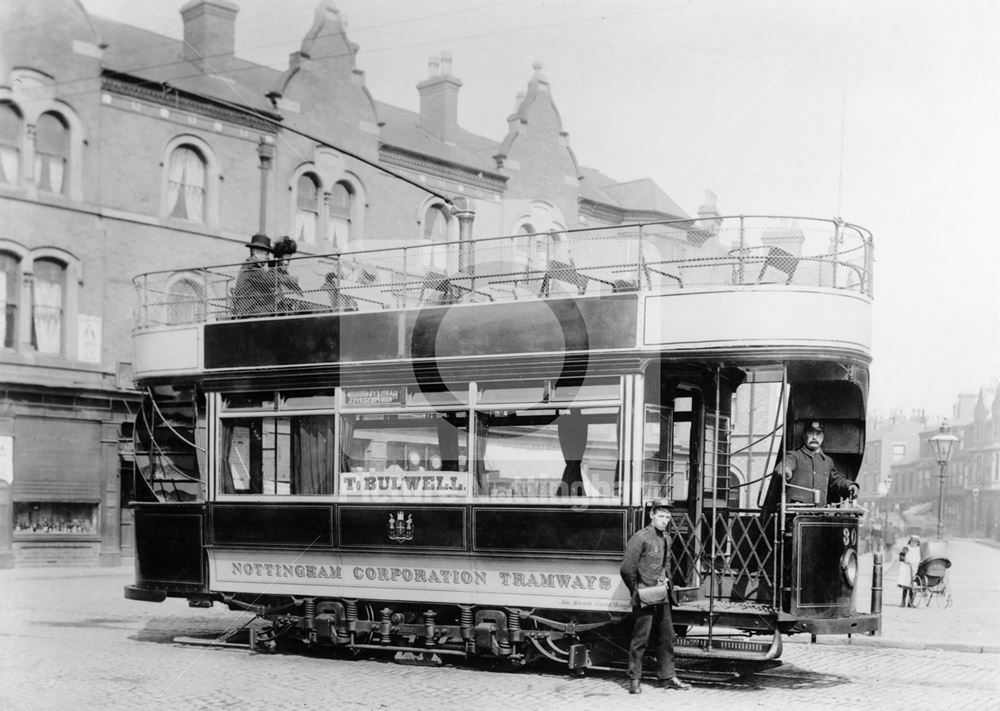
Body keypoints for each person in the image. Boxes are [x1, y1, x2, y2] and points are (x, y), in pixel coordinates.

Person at [619, 498, 691, 694]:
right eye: (661, 516)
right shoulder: (640, 537)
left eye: (667, 517)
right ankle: (634, 679)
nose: (664, 520)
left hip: (663, 595)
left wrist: (666, 582)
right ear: (652, 515)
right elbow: (627, 569)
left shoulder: (667, 538)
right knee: (641, 638)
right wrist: (638, 590)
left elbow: (666, 566)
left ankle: (668, 676)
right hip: (645, 595)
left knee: (667, 637)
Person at [775, 421, 859, 505]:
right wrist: (785, 469)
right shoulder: (793, 456)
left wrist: (849, 485)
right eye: (811, 433)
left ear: (823, 437)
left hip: (819, 514)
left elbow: (836, 482)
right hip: (795, 515)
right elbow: (785, 465)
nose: (814, 437)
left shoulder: (827, 461)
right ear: (804, 436)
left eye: (818, 434)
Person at [232, 233, 277, 317]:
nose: (268, 258)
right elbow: (271, 280)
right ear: (256, 253)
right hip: (251, 312)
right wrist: (293, 280)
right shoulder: (252, 267)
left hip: (254, 310)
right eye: (266, 254)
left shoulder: (253, 266)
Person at [897, 535, 921, 607]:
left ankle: (910, 602)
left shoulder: (918, 549)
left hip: (914, 569)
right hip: (906, 568)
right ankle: (903, 602)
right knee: (905, 585)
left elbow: (919, 558)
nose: (913, 543)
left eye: (915, 542)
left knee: (912, 586)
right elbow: (901, 556)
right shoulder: (906, 548)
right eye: (912, 542)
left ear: (917, 543)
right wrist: (904, 559)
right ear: (910, 542)